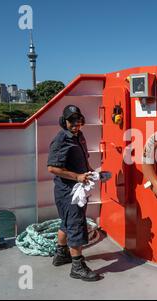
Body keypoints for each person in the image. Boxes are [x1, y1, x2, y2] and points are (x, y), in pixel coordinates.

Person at [47, 105, 109, 281]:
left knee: (66, 222)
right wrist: (77, 176)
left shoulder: (79, 136)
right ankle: (77, 267)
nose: (75, 123)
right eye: (71, 120)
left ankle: (61, 255)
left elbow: (83, 162)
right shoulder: (61, 140)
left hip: (77, 188)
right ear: (64, 122)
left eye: (78, 120)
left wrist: (93, 173)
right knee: (75, 226)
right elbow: (52, 168)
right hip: (68, 192)